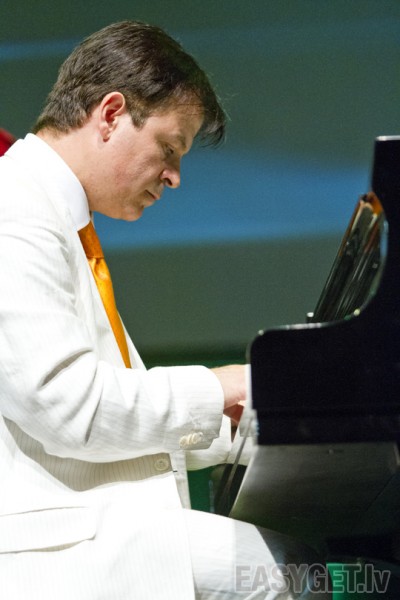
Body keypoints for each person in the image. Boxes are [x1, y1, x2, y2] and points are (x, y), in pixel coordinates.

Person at [0, 21, 330, 599]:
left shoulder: (50, 211)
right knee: (293, 573)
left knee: (301, 566)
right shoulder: (16, 206)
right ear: (110, 114)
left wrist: (242, 428)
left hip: (85, 524)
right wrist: (223, 385)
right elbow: (68, 407)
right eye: (169, 148)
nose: (174, 177)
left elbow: (106, 414)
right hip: (52, 549)